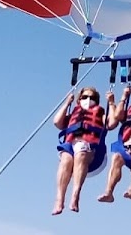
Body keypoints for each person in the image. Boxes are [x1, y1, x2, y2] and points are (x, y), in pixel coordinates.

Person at [52, 86, 113, 215]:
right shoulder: (74, 113)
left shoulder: (100, 113)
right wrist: (67, 102)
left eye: (92, 98)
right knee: (65, 159)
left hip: (91, 150)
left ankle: (75, 196)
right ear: (79, 99)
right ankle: (59, 199)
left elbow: (111, 124)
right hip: (71, 144)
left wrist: (111, 103)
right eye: (85, 97)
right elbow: (57, 122)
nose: (88, 99)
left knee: (81, 151)